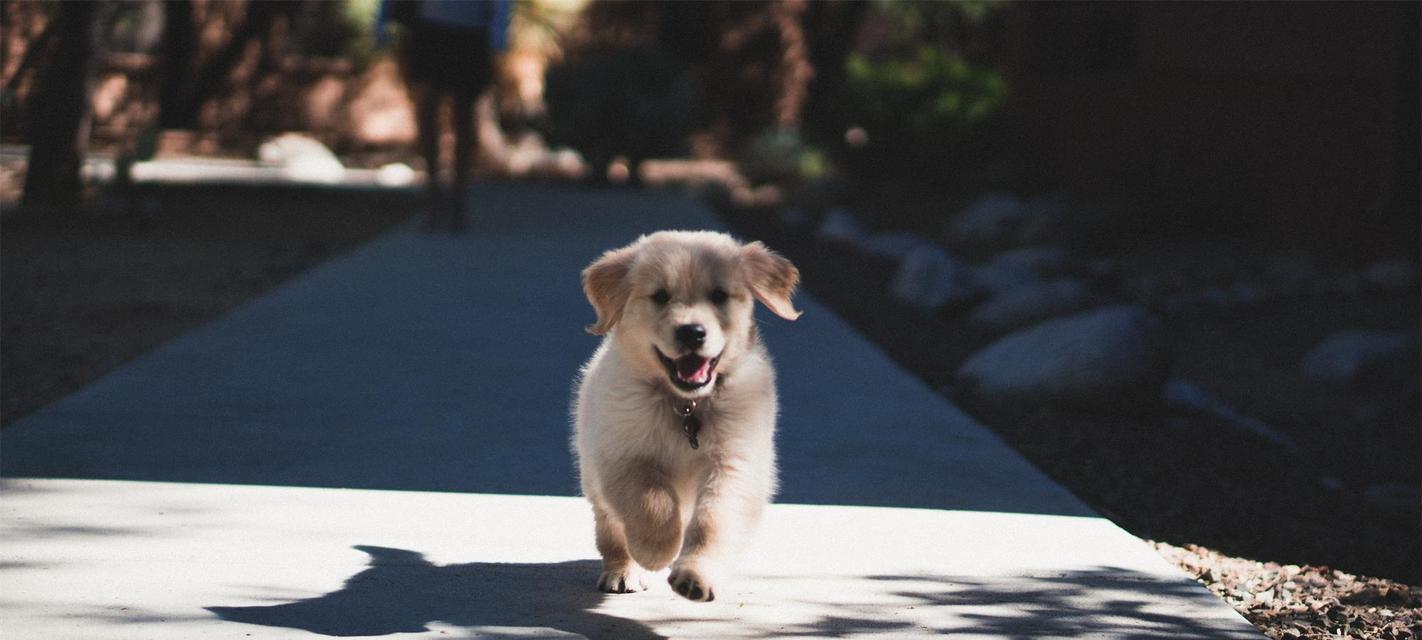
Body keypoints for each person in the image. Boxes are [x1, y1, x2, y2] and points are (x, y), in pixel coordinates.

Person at [380, 0, 511, 231]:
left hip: (470, 31)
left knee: (464, 116)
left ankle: (459, 200)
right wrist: (382, 21)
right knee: (427, 111)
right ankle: (433, 196)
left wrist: (498, 34)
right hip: (429, 30)